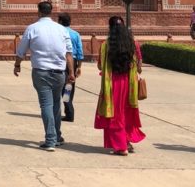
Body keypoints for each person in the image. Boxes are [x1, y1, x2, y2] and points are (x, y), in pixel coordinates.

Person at [14, 1, 74, 151]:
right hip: (59, 72)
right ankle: (57, 136)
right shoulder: (61, 29)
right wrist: (71, 72)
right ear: (51, 12)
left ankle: (50, 140)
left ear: (39, 12)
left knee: (46, 105)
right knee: (56, 104)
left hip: (41, 72)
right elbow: (68, 53)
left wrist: (17, 64)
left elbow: (22, 50)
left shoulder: (32, 28)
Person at [95, 15, 146, 155]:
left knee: (115, 114)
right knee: (127, 112)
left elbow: (100, 66)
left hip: (112, 84)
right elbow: (140, 65)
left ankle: (121, 146)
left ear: (110, 28)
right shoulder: (133, 43)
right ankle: (127, 141)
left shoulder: (106, 45)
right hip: (130, 84)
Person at [57, 13, 83, 122]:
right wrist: (79, 67)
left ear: (61, 22)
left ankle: (68, 112)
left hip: (62, 61)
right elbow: (80, 51)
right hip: (74, 61)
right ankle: (69, 111)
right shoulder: (75, 34)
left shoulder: (58, 33)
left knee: (61, 87)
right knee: (68, 87)